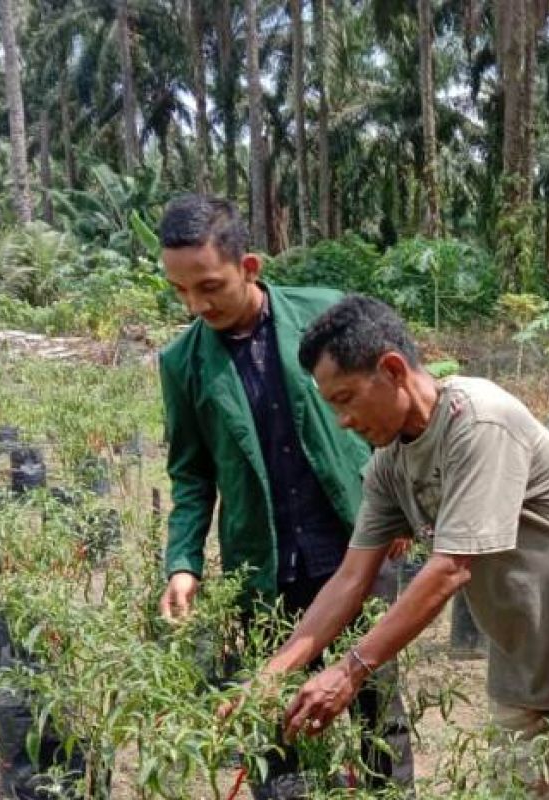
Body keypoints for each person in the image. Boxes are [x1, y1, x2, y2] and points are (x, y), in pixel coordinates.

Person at [241, 293, 549, 799]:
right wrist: (272, 675)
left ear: (391, 369)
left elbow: (450, 568)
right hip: (519, 647)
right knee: (515, 790)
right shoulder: (391, 463)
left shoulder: (478, 421)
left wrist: (351, 670)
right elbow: (351, 578)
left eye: (345, 399)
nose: (343, 420)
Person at [155, 195, 413, 799]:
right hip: (262, 568)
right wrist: (183, 563)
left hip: (356, 548)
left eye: (209, 286)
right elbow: (191, 476)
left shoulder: (324, 319)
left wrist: (401, 504)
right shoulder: (181, 363)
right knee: (277, 718)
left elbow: (394, 411)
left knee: (377, 710)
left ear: (250, 266)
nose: (196, 304)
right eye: (180, 291)